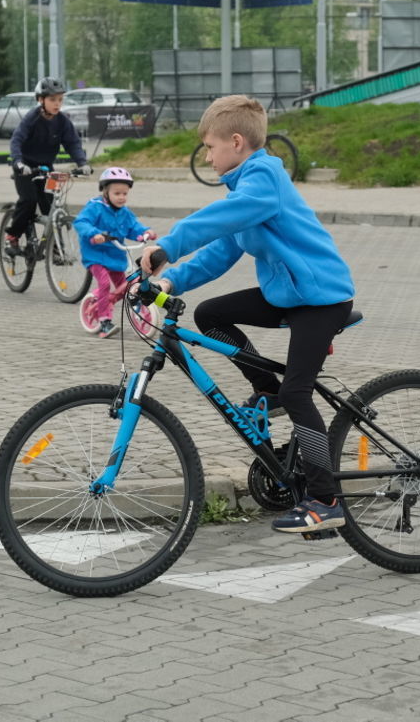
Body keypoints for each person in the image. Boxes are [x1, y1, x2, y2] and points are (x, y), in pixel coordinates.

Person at [140, 95, 356, 536]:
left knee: (300, 395)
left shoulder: (262, 180)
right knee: (211, 314)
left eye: (210, 146)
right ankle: (266, 389)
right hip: (290, 295)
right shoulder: (245, 191)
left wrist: (168, 246)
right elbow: (222, 249)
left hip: (322, 298)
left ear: (236, 142)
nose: (207, 155)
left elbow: (222, 219)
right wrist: (170, 281)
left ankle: (326, 499)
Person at [3, 77, 91, 254]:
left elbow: (73, 143)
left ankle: (55, 248)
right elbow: (17, 140)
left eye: (60, 99)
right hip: (25, 167)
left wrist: (82, 163)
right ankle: (12, 236)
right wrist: (18, 162)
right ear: (40, 100)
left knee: (52, 206)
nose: (57, 104)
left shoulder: (62, 122)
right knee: (29, 200)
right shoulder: (32, 118)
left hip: (45, 168)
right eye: (52, 100)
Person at [74, 167, 156, 338]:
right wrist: (93, 234)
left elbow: (134, 227)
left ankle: (108, 302)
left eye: (124, 193)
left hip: (116, 256)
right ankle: (104, 321)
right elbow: (81, 222)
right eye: (117, 193)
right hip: (95, 255)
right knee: (104, 283)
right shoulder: (95, 207)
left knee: (125, 287)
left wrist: (145, 233)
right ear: (105, 191)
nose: (121, 197)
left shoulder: (124, 213)